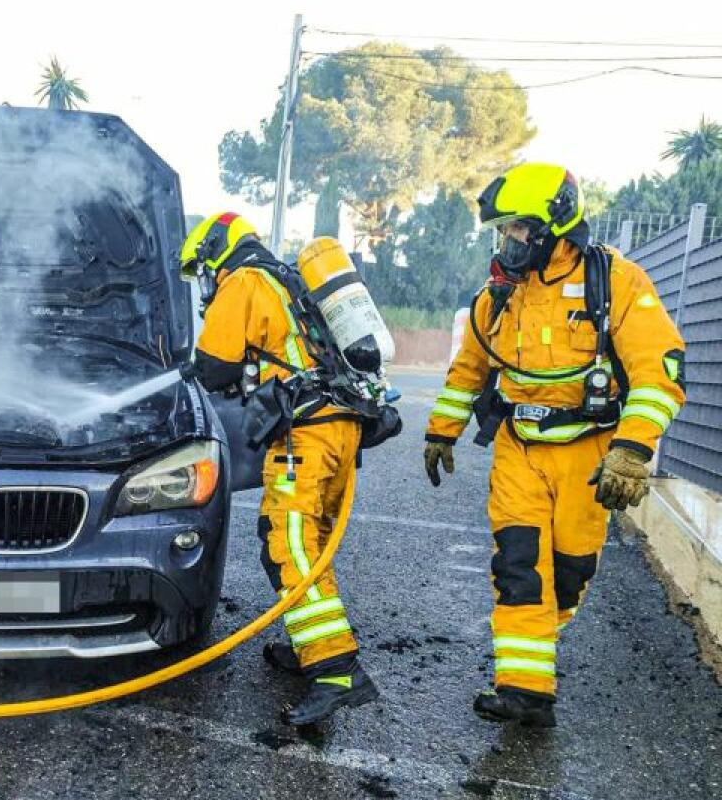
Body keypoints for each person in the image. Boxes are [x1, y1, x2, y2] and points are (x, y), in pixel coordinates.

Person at [424, 163, 686, 727]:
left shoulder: (615, 281)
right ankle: (524, 692)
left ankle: (532, 655)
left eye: (517, 228)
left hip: (589, 456)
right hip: (518, 450)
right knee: (518, 567)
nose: (508, 241)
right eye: (504, 231)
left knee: (567, 574)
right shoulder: (497, 294)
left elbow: (658, 372)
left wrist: (633, 450)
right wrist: (440, 431)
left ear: (552, 226)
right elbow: (470, 367)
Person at [181, 212, 390, 726]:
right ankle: (313, 644)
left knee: (287, 540)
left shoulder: (245, 280)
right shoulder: (289, 282)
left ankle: (336, 670)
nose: (206, 283)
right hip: (340, 427)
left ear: (215, 257)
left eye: (203, 271)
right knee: (311, 542)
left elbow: (213, 365)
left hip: (307, 433)